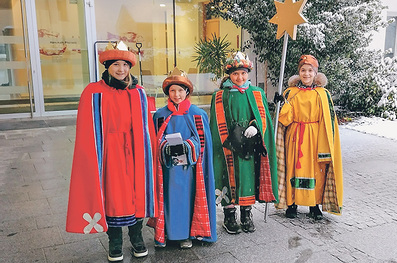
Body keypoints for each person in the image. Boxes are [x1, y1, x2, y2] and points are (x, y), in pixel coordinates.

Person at [66, 41, 157, 262]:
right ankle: (114, 241)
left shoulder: (138, 92)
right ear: (107, 66)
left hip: (134, 151)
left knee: (137, 193)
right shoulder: (93, 92)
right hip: (108, 153)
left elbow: (146, 127)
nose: (120, 69)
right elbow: (87, 129)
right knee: (112, 195)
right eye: (115, 64)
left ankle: (137, 238)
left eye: (125, 65)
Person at [147, 67, 217, 248]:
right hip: (168, 169)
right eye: (172, 90)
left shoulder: (197, 114)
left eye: (180, 90)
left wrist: (188, 146)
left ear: (187, 92)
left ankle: (187, 234)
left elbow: (203, 143)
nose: (176, 94)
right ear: (167, 93)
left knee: (187, 200)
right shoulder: (161, 115)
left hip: (190, 170)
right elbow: (155, 141)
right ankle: (168, 233)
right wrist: (164, 147)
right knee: (169, 199)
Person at [210, 51, 278, 234]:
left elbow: (262, 116)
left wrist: (255, 126)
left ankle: (246, 215)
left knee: (247, 177)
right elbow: (215, 123)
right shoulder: (219, 95)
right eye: (235, 74)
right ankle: (229, 217)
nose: (239, 77)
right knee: (227, 175)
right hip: (227, 145)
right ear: (229, 75)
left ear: (248, 73)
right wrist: (223, 141)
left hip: (248, 144)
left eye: (243, 73)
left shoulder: (257, 93)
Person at [274, 54, 343, 220]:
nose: (306, 74)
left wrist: (324, 143)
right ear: (299, 73)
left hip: (314, 138)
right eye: (303, 70)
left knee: (315, 172)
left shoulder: (322, 94)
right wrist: (281, 104)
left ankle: (314, 205)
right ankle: (292, 204)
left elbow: (328, 121)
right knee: (293, 169)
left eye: (310, 70)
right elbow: (285, 119)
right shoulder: (291, 92)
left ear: (315, 73)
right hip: (294, 137)